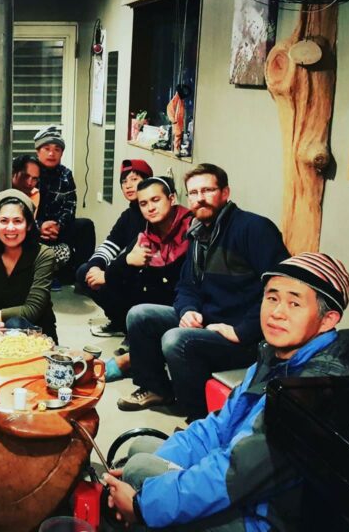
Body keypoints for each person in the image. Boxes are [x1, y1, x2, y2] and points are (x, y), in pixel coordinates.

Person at [104, 252, 349, 532]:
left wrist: (143, 504)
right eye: (272, 298)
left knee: (139, 474)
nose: (276, 312)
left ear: (327, 320)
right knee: (141, 456)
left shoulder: (313, 390)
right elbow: (218, 427)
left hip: (268, 519)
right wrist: (146, 484)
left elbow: (235, 474)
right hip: (243, 487)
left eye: (294, 303)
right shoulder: (274, 357)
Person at [118, 164, 289, 419]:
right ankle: (158, 389)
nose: (200, 198)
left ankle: (198, 419)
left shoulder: (253, 229)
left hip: (246, 337)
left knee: (175, 340)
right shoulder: (198, 234)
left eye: (207, 190)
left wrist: (241, 331)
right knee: (140, 315)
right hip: (209, 321)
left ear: (225, 192)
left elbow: (280, 292)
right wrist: (188, 310)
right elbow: (187, 286)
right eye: (194, 193)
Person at [102, 176, 192, 381]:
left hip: (189, 308)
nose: (150, 208)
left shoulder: (193, 229)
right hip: (159, 305)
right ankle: (137, 353)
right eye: (143, 203)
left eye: (155, 200)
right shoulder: (147, 234)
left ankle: (133, 359)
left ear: (171, 198)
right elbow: (111, 276)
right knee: (117, 280)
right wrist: (128, 261)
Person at [0, 189, 58, 340]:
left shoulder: (44, 255)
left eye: (18, 221)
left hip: (39, 336)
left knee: (14, 323)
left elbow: (32, 310)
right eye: (4, 221)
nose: (10, 228)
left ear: (28, 225)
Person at [76, 159, 153, 337]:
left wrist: (108, 274)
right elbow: (111, 243)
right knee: (84, 272)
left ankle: (133, 328)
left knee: (114, 280)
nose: (128, 185)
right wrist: (95, 265)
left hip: (146, 275)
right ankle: (120, 322)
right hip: (126, 267)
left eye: (134, 179)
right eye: (124, 182)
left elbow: (137, 252)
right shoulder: (128, 215)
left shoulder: (152, 212)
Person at [33, 125, 96, 284]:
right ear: (37, 151)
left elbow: (70, 205)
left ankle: (79, 277)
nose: (51, 153)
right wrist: (39, 226)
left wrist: (58, 225)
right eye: (46, 148)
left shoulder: (66, 174)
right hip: (32, 229)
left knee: (85, 226)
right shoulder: (29, 172)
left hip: (57, 228)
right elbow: (20, 209)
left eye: (57, 149)